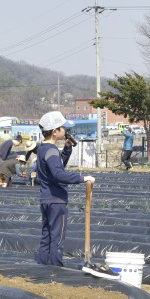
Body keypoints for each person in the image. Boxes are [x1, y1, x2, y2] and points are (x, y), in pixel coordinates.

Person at [35, 111, 94, 266]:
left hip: (46, 198)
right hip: (56, 200)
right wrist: (83, 178)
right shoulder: (52, 150)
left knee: (46, 236)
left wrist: (67, 149)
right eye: (62, 128)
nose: (65, 131)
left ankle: (41, 268)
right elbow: (58, 173)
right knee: (57, 239)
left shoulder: (43, 148)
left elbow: (56, 165)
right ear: (55, 131)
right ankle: (56, 271)